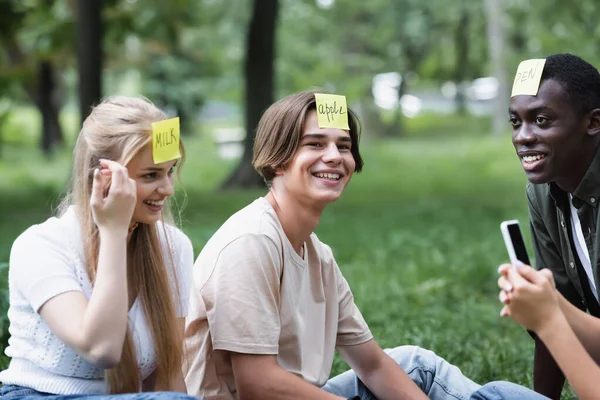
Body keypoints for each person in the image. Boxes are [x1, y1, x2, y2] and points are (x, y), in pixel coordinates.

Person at [183, 89, 480, 400]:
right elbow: (258, 384)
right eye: (315, 144)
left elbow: (373, 364)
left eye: (344, 146)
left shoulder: (317, 254)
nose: (335, 157)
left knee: (417, 365)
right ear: (278, 160)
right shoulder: (251, 242)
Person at [0, 96, 197, 399]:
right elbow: (102, 349)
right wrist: (114, 233)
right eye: (151, 175)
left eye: (170, 171)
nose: (168, 188)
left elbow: (168, 376)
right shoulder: (40, 246)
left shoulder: (174, 248)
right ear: (102, 176)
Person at [470, 53, 600, 400]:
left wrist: (548, 312)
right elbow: (559, 306)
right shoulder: (543, 192)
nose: (522, 137)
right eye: (516, 122)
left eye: (542, 120)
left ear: (593, 122)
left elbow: (555, 315)